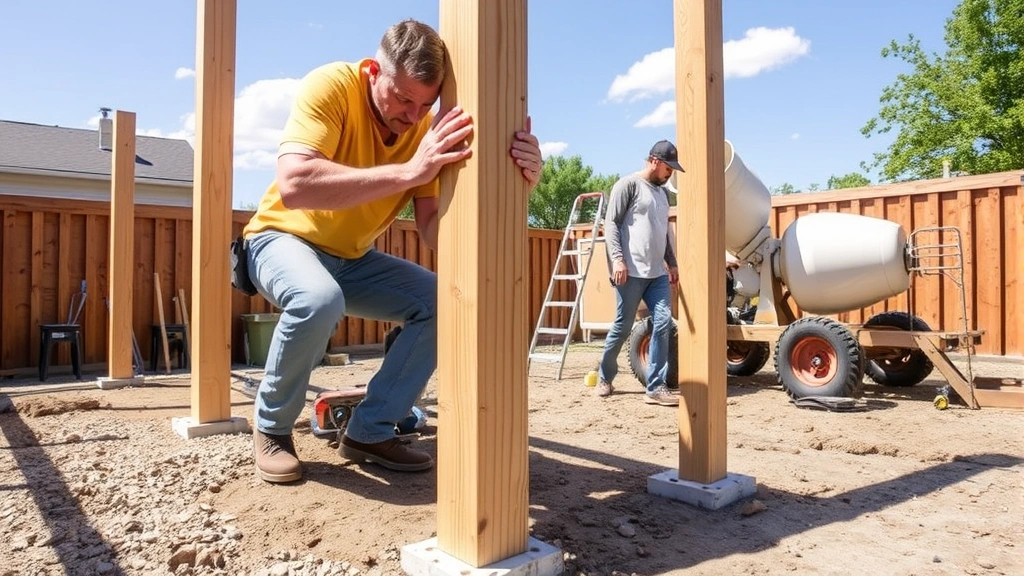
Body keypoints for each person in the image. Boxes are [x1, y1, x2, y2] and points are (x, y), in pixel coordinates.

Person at [240, 19, 543, 483]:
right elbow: (296, 184)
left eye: (425, 103)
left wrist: (518, 186)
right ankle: (273, 427)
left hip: (351, 258)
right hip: (279, 238)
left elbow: (432, 229)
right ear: (372, 72)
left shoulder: (425, 127)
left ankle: (370, 431)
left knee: (443, 302)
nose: (412, 114)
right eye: (403, 98)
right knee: (318, 298)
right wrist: (410, 170)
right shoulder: (332, 86)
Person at [595, 140, 682, 406]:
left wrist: (672, 262)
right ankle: (605, 377)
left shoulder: (663, 194)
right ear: (655, 161)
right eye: (669, 168)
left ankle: (656, 387)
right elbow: (611, 225)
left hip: (656, 274)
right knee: (622, 329)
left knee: (663, 323)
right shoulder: (628, 185)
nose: (671, 174)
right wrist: (618, 260)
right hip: (630, 271)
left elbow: (662, 232)